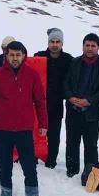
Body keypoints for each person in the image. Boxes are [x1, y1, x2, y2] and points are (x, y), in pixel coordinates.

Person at [0, 41, 48, 196]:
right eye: (12, 55)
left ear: (24, 56)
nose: (15, 58)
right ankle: (6, 192)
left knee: (29, 165)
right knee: (5, 165)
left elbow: (40, 101)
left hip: (24, 128)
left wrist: (43, 124)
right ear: (6, 55)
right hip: (2, 128)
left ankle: (32, 194)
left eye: (18, 55)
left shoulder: (31, 74)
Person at [62, 33, 99, 177]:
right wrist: (70, 97)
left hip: (92, 113)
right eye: (87, 45)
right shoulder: (74, 62)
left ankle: (91, 173)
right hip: (73, 110)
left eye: (93, 46)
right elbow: (65, 82)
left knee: (90, 145)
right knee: (72, 143)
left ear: (98, 47)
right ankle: (71, 171)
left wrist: (89, 100)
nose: (90, 48)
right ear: (83, 46)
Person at [34, 28, 73, 169]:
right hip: (39, 103)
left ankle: (51, 161)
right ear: (48, 42)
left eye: (57, 42)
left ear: (62, 43)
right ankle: (35, 157)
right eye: (52, 41)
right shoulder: (39, 57)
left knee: (54, 135)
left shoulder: (69, 59)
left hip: (56, 104)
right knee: (37, 132)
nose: (55, 44)